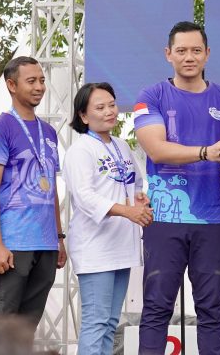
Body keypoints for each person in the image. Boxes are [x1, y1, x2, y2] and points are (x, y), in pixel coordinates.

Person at [134, 21, 220, 354]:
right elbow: (156, 149)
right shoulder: (152, 96)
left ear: (207, 54)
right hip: (165, 218)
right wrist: (206, 152)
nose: (188, 57)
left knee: (211, 310)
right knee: (156, 308)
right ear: (168, 54)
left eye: (196, 50)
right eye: (181, 51)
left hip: (215, 218)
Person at [63, 82, 153, 355]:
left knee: (111, 323)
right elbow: (84, 197)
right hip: (95, 248)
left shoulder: (122, 146)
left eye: (112, 105)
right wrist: (127, 211)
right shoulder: (80, 150)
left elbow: (136, 183)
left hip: (121, 246)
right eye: (100, 107)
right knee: (96, 322)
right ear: (83, 116)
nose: (109, 111)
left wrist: (139, 199)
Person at [0, 56, 67, 325]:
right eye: (31, 81)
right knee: (3, 327)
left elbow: (51, 189)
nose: (39, 87)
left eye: (41, 80)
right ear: (11, 85)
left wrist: (59, 237)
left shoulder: (49, 132)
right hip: (13, 243)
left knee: (28, 327)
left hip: (46, 243)